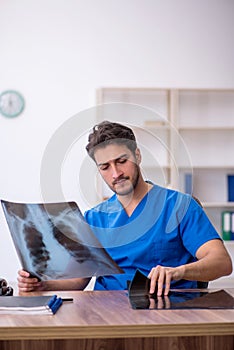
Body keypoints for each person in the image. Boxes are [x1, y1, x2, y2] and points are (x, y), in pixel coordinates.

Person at [17, 121, 232, 296]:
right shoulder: (95, 218)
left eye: (121, 161)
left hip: (167, 312)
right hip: (106, 315)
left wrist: (179, 272)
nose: (115, 173)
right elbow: (81, 279)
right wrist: (43, 284)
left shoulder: (179, 206)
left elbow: (222, 262)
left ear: (137, 156)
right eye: (105, 167)